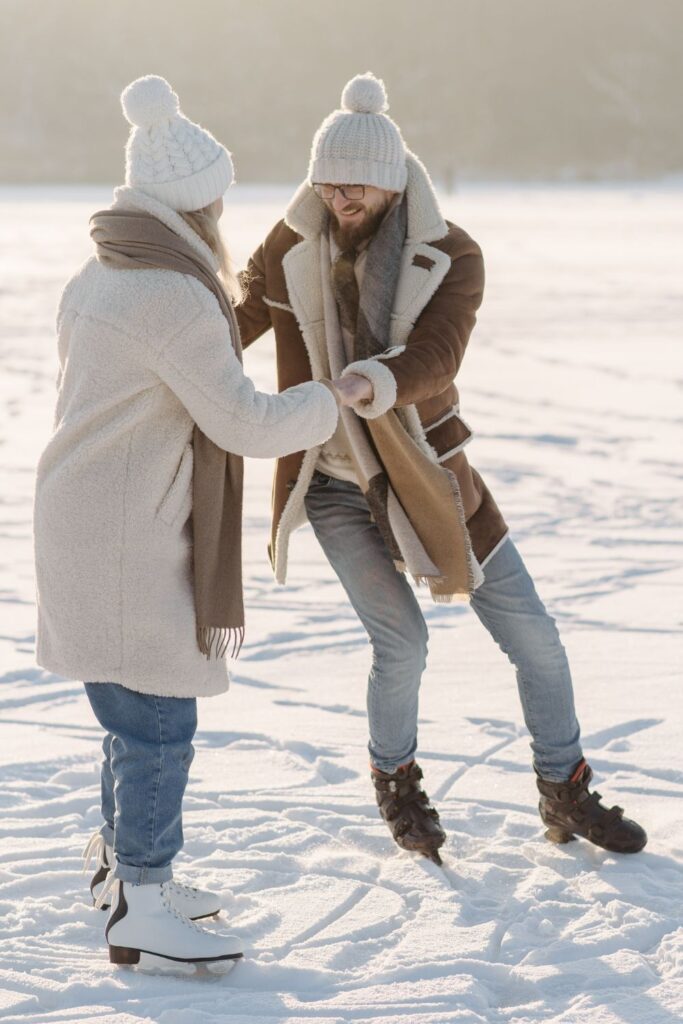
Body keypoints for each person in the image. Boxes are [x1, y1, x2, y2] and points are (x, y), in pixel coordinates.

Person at [235, 72, 647, 865]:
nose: (337, 198)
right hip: (332, 484)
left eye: (353, 185)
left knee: (534, 639)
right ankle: (396, 785)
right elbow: (235, 319)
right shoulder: (290, 244)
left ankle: (562, 787)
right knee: (402, 644)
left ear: (390, 182)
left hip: (428, 472)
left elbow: (437, 353)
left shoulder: (450, 253)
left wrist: (370, 381)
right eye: (325, 183)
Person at [32, 75, 355, 974]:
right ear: (196, 207)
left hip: (90, 516)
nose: (222, 215)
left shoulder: (102, 270)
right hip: (125, 534)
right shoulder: (171, 295)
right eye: (216, 201)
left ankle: (124, 871)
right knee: (156, 723)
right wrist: (328, 400)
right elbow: (243, 422)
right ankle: (141, 900)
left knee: (127, 715)